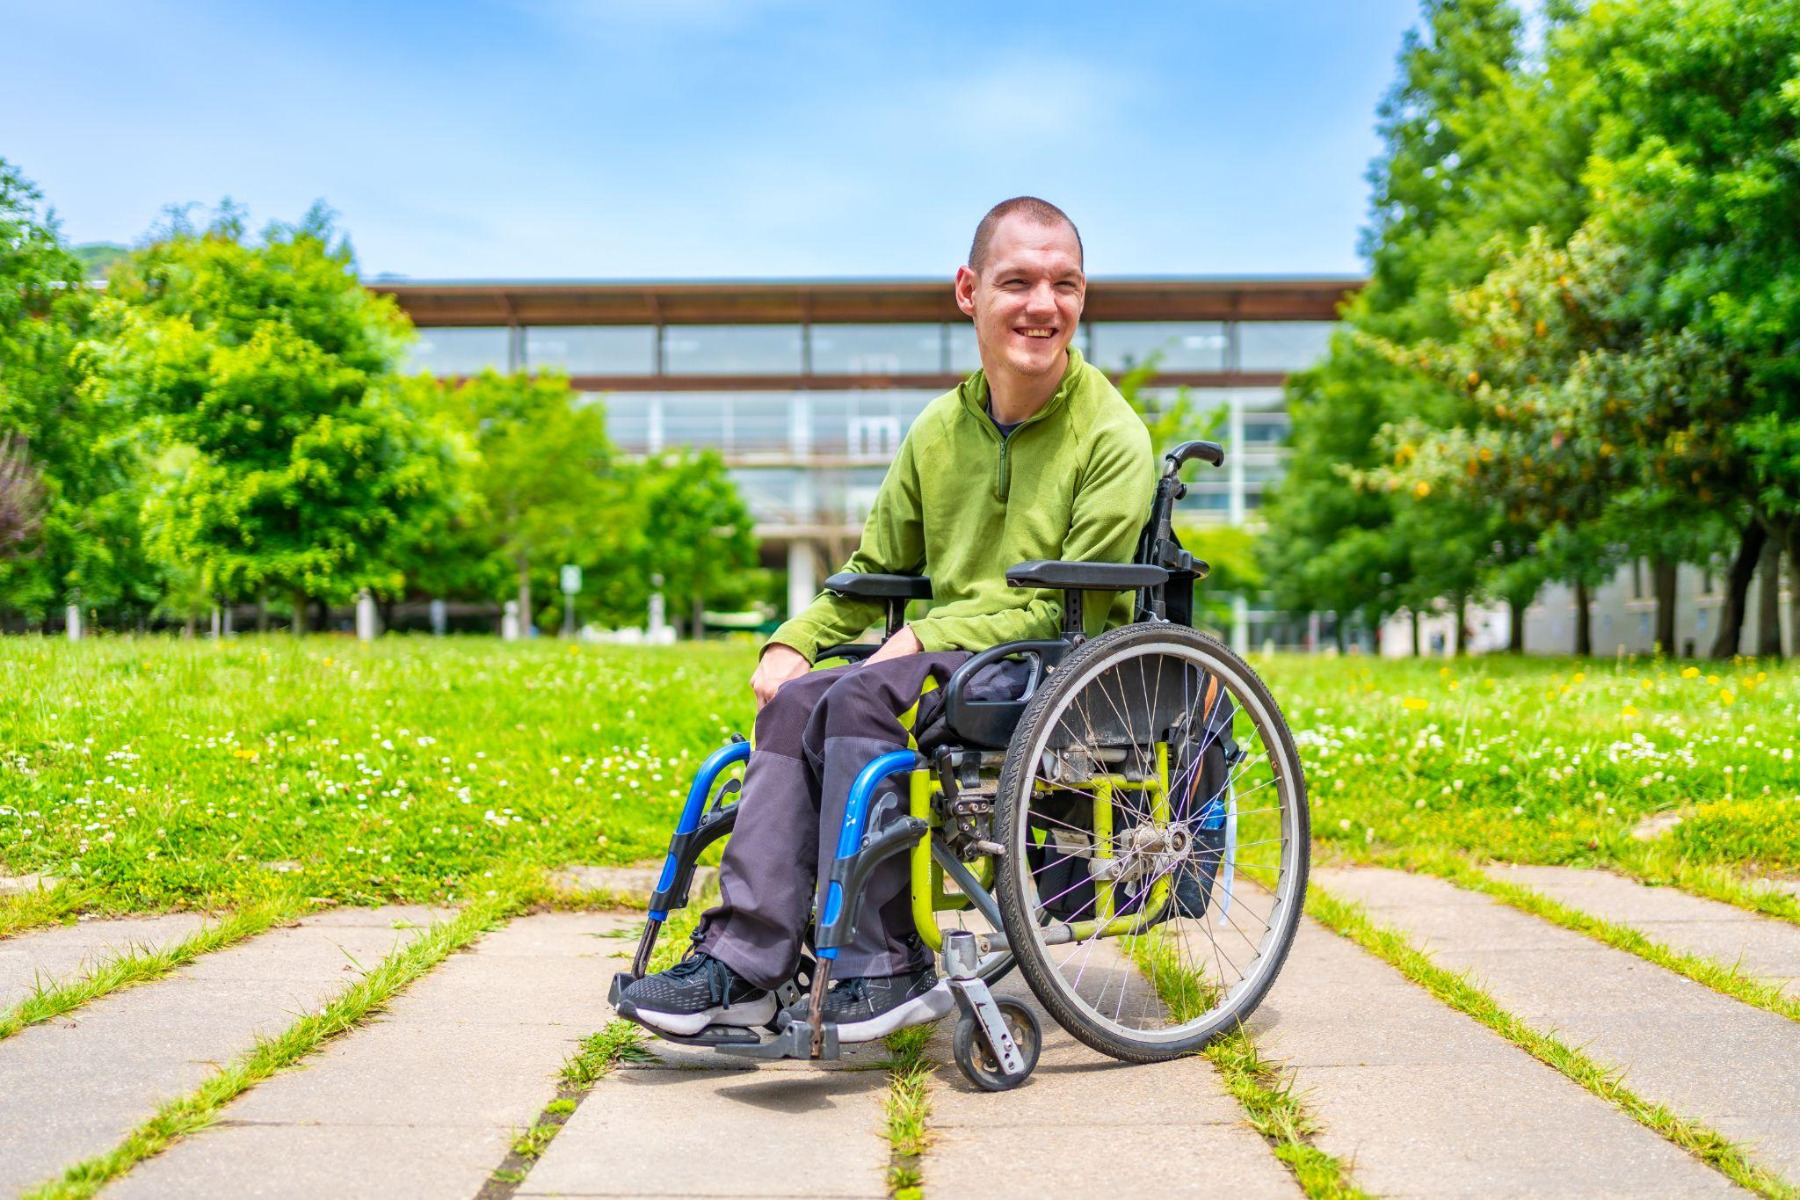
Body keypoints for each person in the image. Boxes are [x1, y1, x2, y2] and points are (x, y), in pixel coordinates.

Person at [615, 197, 1154, 1042]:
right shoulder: (939, 430)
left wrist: (923, 636)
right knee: (799, 702)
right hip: (952, 655)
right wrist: (795, 641)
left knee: (863, 698)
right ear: (969, 291)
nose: (1043, 305)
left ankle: (884, 964)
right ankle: (748, 965)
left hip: (1057, 661)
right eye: (1018, 282)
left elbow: (1066, 598)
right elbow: (872, 576)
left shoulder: (1113, 435)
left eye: (1065, 284)